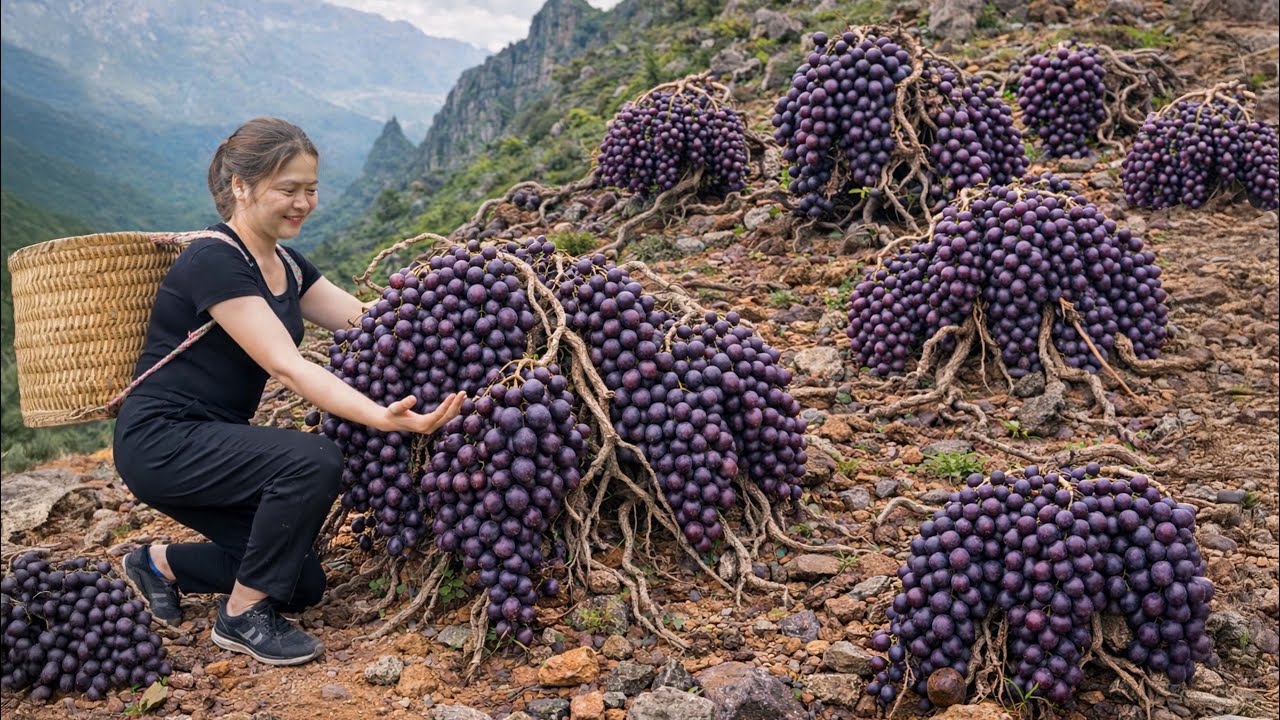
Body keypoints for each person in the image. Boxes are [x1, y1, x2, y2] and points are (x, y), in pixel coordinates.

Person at [112, 117, 466, 666]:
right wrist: (382, 416)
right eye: (288, 190)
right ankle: (240, 619)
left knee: (299, 583)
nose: (303, 202)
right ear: (241, 187)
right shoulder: (216, 260)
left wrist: (460, 308)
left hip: (211, 437)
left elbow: (370, 322)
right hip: (163, 441)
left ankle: (158, 564)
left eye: (312, 189)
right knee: (313, 459)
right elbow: (289, 368)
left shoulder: (288, 266)